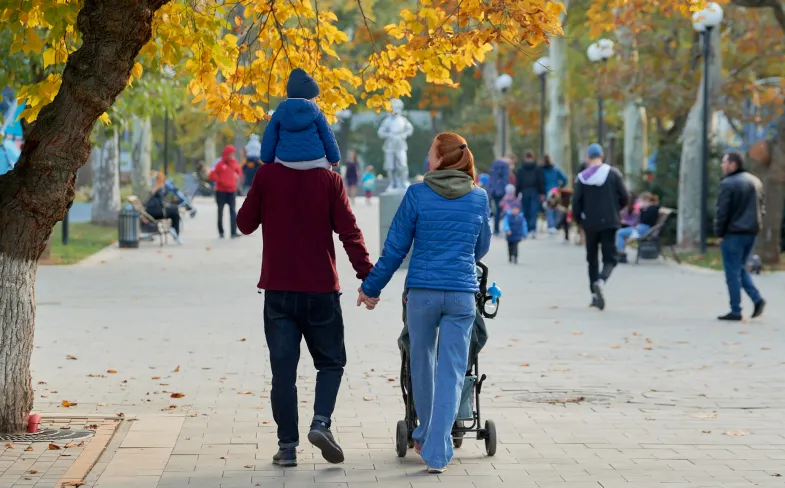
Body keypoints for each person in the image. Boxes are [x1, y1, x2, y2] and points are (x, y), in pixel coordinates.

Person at [359, 132, 491, 474]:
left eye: (431, 152)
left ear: (441, 159)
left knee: (421, 362)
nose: (427, 157)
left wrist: (371, 288)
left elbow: (395, 249)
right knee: (451, 370)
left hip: (423, 293)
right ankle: (437, 447)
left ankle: (428, 434)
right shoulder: (479, 198)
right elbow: (481, 248)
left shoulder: (417, 194)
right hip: (462, 295)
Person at [236, 142, 374, 468]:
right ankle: (320, 423)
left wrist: (261, 185)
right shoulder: (330, 180)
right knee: (330, 363)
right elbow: (349, 232)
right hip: (321, 290)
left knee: (283, 373)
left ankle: (287, 448)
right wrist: (368, 277)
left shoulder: (267, 176)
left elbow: (244, 223)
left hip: (278, 291)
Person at [572, 143, 628, 311]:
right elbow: (624, 196)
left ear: (588, 158)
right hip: (609, 221)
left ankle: (594, 296)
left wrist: (579, 221)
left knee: (592, 259)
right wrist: (615, 210)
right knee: (610, 258)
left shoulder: (582, 178)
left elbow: (576, 203)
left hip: (590, 223)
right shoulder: (613, 174)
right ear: (602, 156)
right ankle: (602, 280)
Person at [715, 151, 766, 321]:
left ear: (732, 164)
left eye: (724, 162)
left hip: (733, 233)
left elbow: (722, 212)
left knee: (732, 272)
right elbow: (762, 208)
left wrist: (719, 232)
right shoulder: (756, 181)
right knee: (741, 268)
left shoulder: (728, 184)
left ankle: (735, 310)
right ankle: (757, 299)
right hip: (750, 232)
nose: (722, 165)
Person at [261, 68, 340, 170]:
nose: (316, 100)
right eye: (315, 97)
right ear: (309, 96)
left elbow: (270, 135)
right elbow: (328, 136)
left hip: (285, 161)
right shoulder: (316, 111)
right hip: (315, 161)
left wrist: (266, 159)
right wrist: (334, 159)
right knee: (329, 170)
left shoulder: (280, 111)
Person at [616, 192, 660, 263]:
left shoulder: (652, 209)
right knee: (621, 233)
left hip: (643, 229)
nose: (640, 202)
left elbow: (645, 220)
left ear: (646, 200)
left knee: (619, 232)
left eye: (641, 201)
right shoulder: (649, 208)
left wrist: (641, 210)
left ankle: (621, 254)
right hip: (642, 228)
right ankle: (621, 253)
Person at [210, 145, 242, 239]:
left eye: (233, 153)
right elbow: (212, 175)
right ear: (227, 154)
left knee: (233, 211)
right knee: (220, 211)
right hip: (221, 192)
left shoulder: (234, 162)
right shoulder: (220, 164)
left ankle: (233, 232)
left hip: (232, 191)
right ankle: (221, 232)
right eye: (231, 153)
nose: (232, 155)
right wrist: (220, 180)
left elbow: (239, 171)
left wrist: (237, 175)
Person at [145, 172, 183, 244]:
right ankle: (175, 232)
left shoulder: (155, 187)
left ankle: (174, 230)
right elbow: (160, 202)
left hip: (153, 211)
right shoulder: (159, 188)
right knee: (175, 212)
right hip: (157, 212)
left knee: (174, 210)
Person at [515, 150, 545, 238]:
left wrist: (517, 193)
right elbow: (541, 181)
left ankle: (526, 228)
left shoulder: (520, 169)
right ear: (533, 157)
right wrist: (542, 193)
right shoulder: (538, 168)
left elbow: (518, 182)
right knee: (534, 210)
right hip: (535, 191)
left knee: (525, 210)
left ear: (525, 158)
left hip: (524, 191)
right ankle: (533, 229)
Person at [541, 155, 568, 234]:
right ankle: (556, 226)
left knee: (549, 208)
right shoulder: (555, 169)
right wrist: (561, 187)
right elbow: (565, 179)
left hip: (546, 191)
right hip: (555, 191)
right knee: (556, 208)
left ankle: (551, 226)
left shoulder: (542, 170)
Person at [488, 154, 513, 235]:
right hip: (502, 190)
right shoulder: (505, 165)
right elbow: (505, 179)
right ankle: (503, 228)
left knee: (497, 210)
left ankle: (496, 229)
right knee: (503, 210)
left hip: (494, 190)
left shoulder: (494, 164)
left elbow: (491, 178)